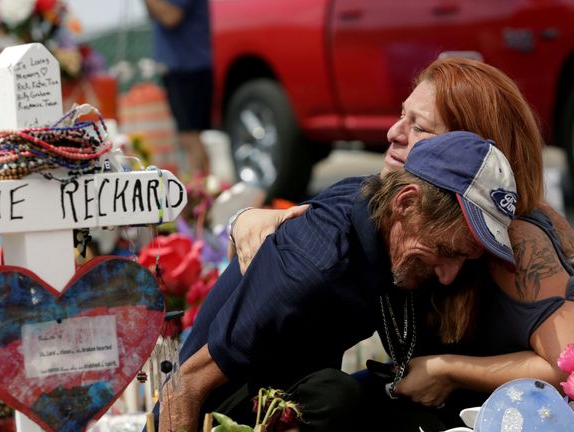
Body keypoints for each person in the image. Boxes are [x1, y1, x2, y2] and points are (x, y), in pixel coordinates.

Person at [228, 57, 574, 429]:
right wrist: (247, 218)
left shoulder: (517, 241)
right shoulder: (405, 210)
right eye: (402, 115)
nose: (393, 133)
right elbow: (332, 220)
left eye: (420, 127)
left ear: (472, 152)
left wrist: (446, 370)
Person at [156, 131, 521, 432]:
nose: (447, 274)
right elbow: (184, 387)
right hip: (218, 411)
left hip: (293, 387)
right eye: (445, 251)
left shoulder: (378, 211)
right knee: (334, 397)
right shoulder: (313, 267)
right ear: (406, 204)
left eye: (463, 258)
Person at [144, 0, 212, 177]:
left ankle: (200, 191)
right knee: (187, 135)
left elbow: (170, 17)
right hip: (180, 67)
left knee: (191, 135)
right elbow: (154, 13)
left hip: (190, 67)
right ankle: (201, 188)